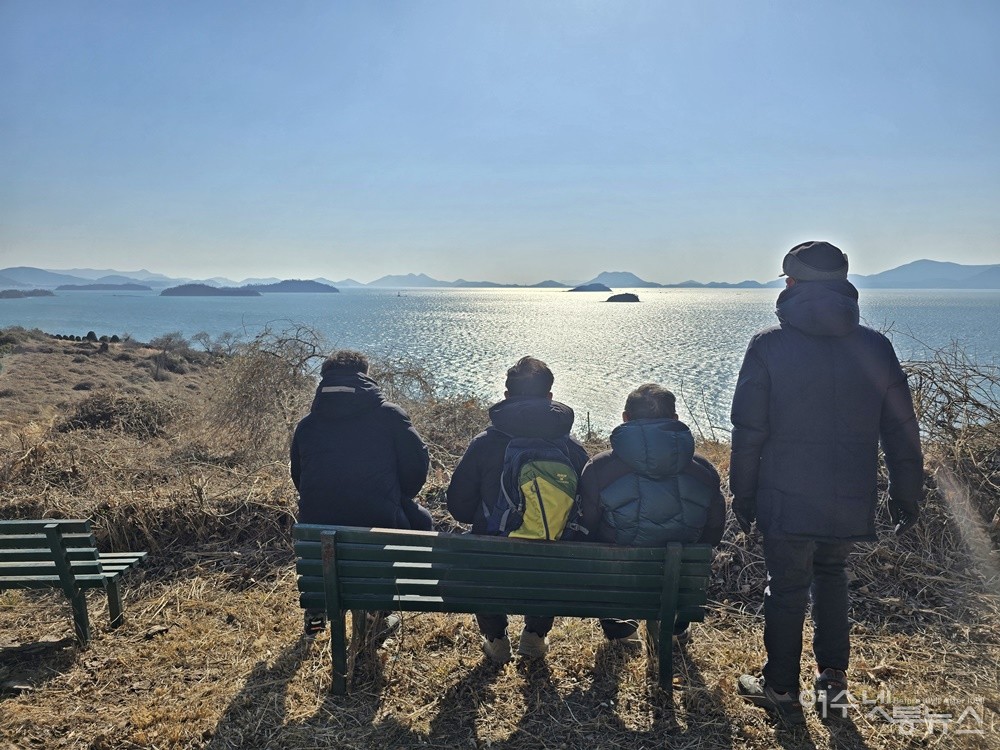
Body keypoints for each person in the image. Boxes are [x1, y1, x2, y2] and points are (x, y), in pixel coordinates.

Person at [729, 241, 923, 725]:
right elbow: (900, 428)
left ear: (791, 284)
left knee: (787, 587)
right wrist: (906, 493)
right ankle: (832, 684)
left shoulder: (769, 345)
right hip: (848, 496)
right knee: (831, 578)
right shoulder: (875, 347)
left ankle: (779, 689)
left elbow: (749, 431)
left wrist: (744, 493)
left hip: (784, 494)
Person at [446, 356, 589, 664]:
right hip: (551, 565)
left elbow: (457, 506)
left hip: (492, 563)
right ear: (549, 397)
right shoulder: (573, 450)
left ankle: (496, 639)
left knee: (480, 546)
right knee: (554, 549)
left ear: (507, 396)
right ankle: (535, 636)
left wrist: (493, 517)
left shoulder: (484, 444)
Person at [291, 349, 433, 634]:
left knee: (320, 525)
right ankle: (379, 613)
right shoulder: (390, 416)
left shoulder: (307, 426)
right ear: (365, 375)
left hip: (320, 534)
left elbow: (299, 478)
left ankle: (318, 602)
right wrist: (398, 495)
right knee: (420, 520)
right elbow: (417, 467)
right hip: (379, 527)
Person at [577, 383, 725, 644]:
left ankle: (621, 632)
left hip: (617, 584)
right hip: (679, 586)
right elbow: (713, 534)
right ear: (675, 420)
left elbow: (586, 528)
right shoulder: (703, 470)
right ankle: (675, 630)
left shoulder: (599, 468)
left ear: (625, 418)